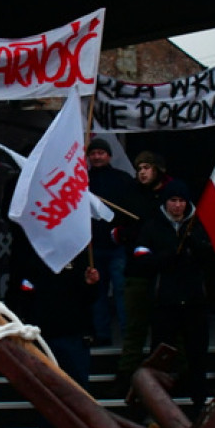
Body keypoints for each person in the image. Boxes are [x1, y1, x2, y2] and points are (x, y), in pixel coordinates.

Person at [7, 227, 99, 428]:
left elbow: (89, 299)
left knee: (78, 390)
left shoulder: (79, 258)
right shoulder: (37, 257)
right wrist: (29, 324)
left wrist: (91, 284)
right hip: (44, 335)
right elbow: (25, 291)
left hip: (74, 334)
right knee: (45, 390)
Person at [136, 179, 214, 419]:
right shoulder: (152, 226)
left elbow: (211, 257)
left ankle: (199, 401)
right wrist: (169, 256)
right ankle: (157, 406)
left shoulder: (198, 225)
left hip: (193, 301)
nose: (177, 206)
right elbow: (141, 259)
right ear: (165, 202)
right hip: (165, 301)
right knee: (161, 354)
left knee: (197, 353)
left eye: (181, 201)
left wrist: (196, 247)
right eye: (173, 200)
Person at [111, 151, 171, 396]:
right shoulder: (131, 195)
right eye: (139, 168)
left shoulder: (170, 194)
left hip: (166, 273)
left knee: (166, 328)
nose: (142, 172)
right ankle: (127, 375)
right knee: (135, 326)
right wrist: (130, 235)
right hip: (137, 271)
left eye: (147, 167)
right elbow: (115, 229)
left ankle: (165, 375)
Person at [86, 137, 134, 346]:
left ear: (109, 156)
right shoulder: (82, 181)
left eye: (101, 153)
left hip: (117, 247)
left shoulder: (123, 179)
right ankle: (102, 334)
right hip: (92, 247)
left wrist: (122, 232)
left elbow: (132, 211)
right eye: (93, 153)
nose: (97, 157)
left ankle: (127, 336)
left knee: (123, 291)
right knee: (97, 294)